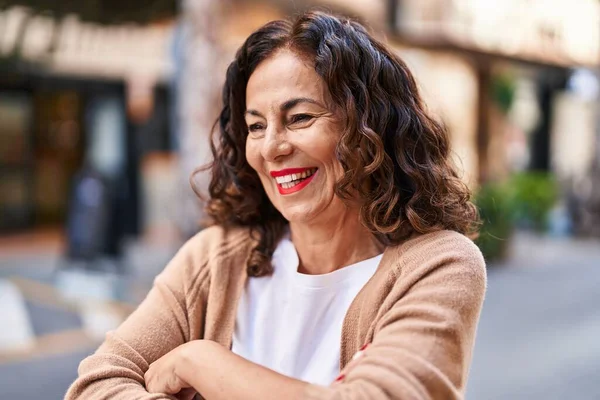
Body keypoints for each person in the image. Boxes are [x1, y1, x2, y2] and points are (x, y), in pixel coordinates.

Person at [66, 10, 486, 400]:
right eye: (255, 126)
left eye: (300, 117)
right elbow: (97, 384)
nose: (271, 147)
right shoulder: (216, 257)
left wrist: (200, 361)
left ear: (371, 127)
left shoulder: (439, 265)